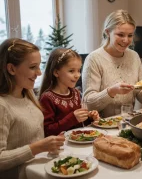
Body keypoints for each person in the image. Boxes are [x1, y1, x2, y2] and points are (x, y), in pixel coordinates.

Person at [0, 38, 65, 178]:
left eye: (39, 66)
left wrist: (50, 144)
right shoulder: (2, 106)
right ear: (11, 69)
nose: (39, 73)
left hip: (38, 171)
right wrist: (37, 147)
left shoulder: (28, 94)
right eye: (32, 67)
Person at [82, 10, 142, 118]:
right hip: (101, 126)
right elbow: (89, 103)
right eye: (120, 34)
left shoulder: (134, 57)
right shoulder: (94, 59)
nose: (126, 40)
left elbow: (139, 94)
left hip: (128, 121)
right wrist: (111, 91)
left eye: (130, 35)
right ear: (107, 32)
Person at [39, 48, 100, 137]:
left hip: (77, 143)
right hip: (60, 146)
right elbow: (47, 131)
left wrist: (90, 118)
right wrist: (72, 118)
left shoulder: (75, 93)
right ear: (56, 72)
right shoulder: (47, 98)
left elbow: (79, 123)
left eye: (79, 70)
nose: (77, 75)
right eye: (71, 71)